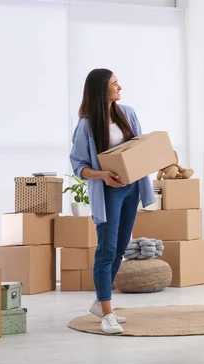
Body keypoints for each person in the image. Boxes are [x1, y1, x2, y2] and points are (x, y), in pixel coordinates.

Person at [70, 68, 156, 334]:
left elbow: (139, 147)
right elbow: (78, 166)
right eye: (115, 84)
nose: (120, 87)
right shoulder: (86, 125)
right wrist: (104, 175)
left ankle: (100, 301)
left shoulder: (127, 113)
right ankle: (107, 313)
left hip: (131, 189)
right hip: (108, 192)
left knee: (120, 248)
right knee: (106, 250)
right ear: (100, 90)